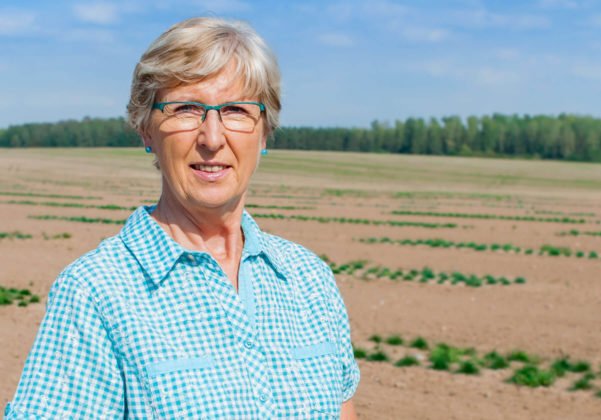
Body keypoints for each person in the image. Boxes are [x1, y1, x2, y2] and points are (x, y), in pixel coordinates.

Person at [5, 17, 359, 419]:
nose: (212, 137)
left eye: (236, 110)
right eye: (186, 109)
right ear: (146, 130)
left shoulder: (309, 280)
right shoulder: (96, 293)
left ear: (263, 133)